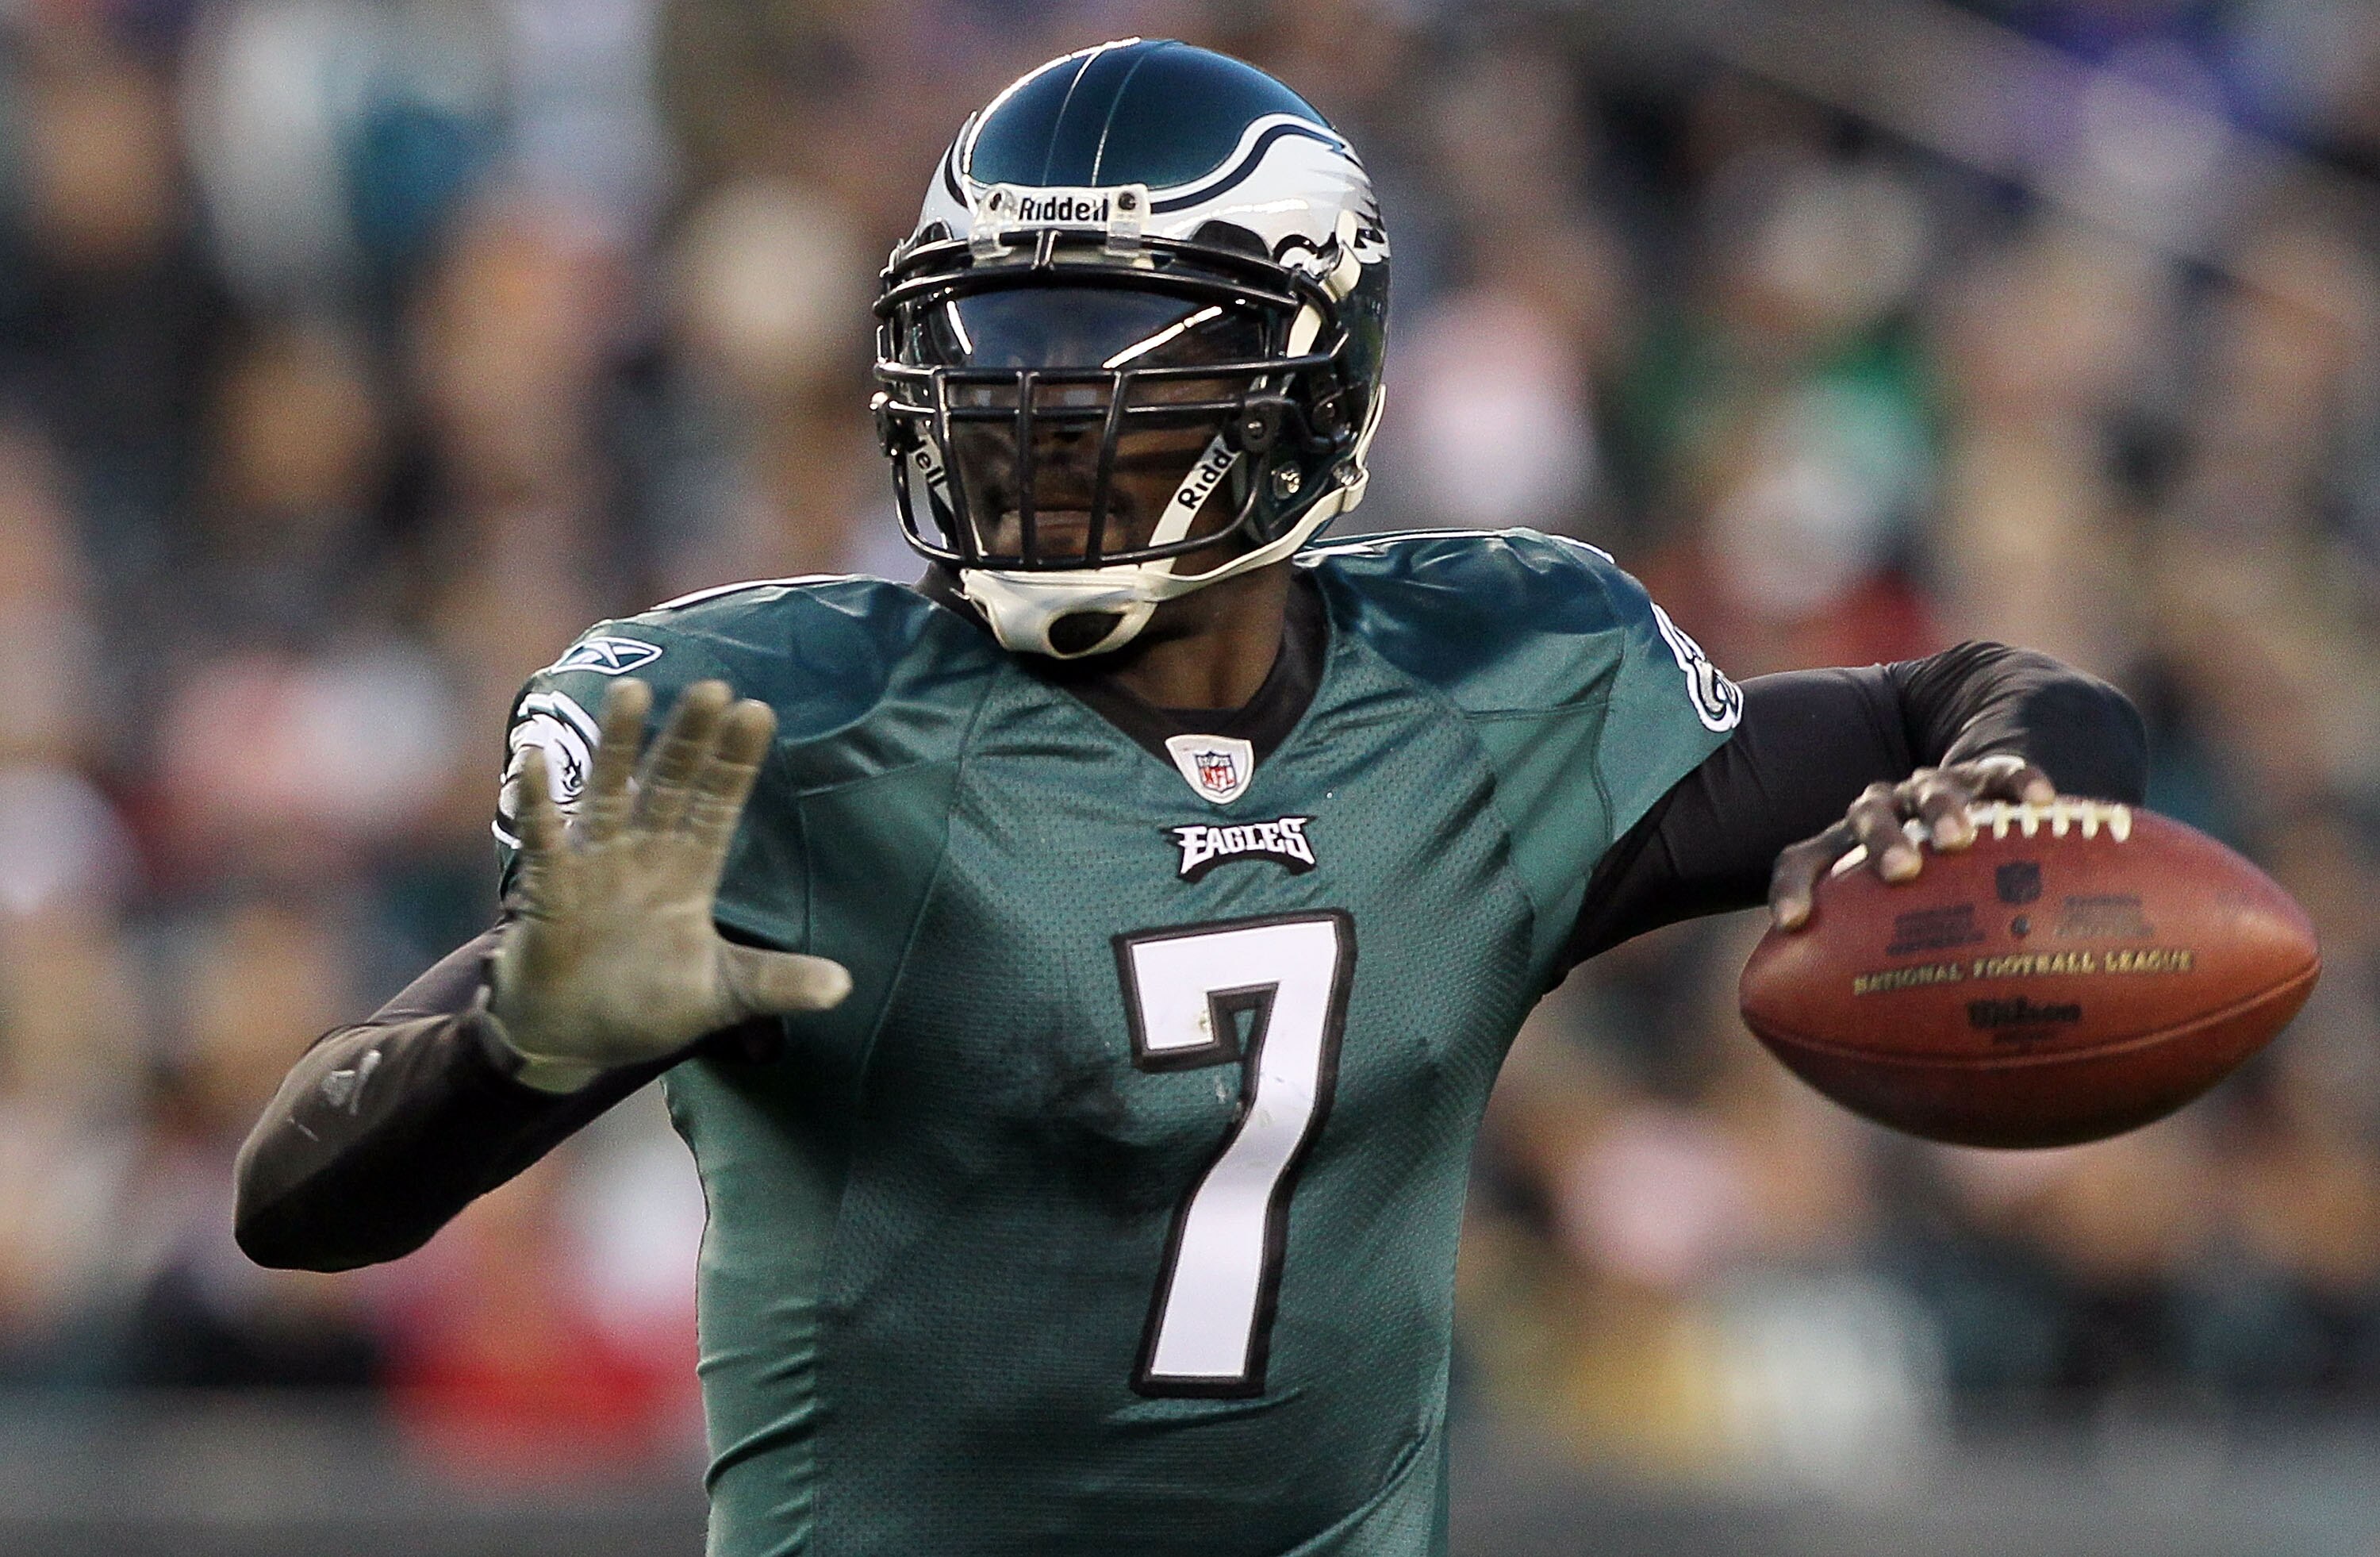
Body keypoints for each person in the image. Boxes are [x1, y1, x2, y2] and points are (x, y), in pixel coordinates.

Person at [234, 39, 2146, 1557]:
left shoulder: (1487, 691)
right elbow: (298, 1206)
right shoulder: (804, 738)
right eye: (992, 337)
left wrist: (2002, 791)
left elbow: (1985, 698)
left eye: (1108, 346)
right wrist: (518, 1046)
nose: (1030, 403)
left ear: (1312, 374)